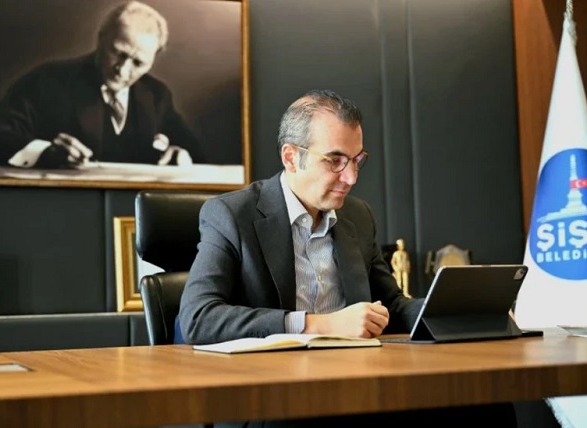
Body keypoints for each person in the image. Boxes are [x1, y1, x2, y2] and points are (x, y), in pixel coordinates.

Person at [178, 89, 516, 427]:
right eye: (335, 160)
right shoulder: (230, 215)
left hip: (356, 382)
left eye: (357, 160)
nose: (351, 177)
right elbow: (198, 318)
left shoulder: (357, 216)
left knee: (484, 403)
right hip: (270, 394)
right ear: (291, 157)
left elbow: (391, 306)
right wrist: (319, 325)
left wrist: (459, 312)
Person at [0, 1, 204, 169]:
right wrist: (45, 152)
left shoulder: (157, 95)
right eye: (117, 53)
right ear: (101, 38)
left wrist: (181, 155)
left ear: (153, 60)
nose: (122, 69)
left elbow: (197, 154)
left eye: (138, 63)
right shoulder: (48, 82)